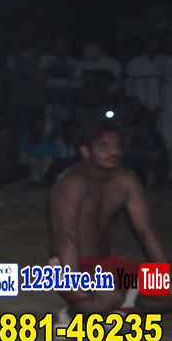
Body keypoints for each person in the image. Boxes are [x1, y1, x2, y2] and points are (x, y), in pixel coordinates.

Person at [50, 116, 171, 315]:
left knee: (168, 293)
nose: (114, 152)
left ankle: (121, 312)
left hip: (107, 263)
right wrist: (76, 288)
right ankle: (71, 314)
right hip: (69, 266)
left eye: (117, 145)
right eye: (104, 146)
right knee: (110, 297)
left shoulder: (126, 180)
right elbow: (66, 236)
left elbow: (146, 232)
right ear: (85, 151)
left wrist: (163, 276)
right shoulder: (72, 182)